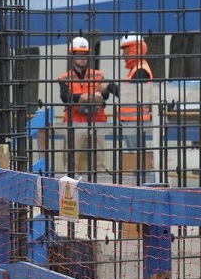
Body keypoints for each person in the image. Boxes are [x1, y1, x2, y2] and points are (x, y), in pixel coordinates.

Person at [57, 36, 118, 178]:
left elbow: (106, 95)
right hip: (75, 124)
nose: (83, 58)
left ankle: (100, 189)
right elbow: (66, 98)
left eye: (85, 55)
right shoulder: (65, 78)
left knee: (99, 163)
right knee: (71, 162)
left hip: (97, 122)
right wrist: (82, 98)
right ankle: (70, 190)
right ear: (72, 56)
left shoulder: (98, 75)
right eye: (79, 55)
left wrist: (97, 96)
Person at [117, 35, 154, 183]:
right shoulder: (136, 69)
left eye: (125, 50)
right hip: (131, 122)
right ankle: (139, 180)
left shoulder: (140, 70)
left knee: (137, 157)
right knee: (135, 157)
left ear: (133, 49)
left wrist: (110, 87)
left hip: (136, 123)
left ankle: (140, 183)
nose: (123, 55)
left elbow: (132, 95)